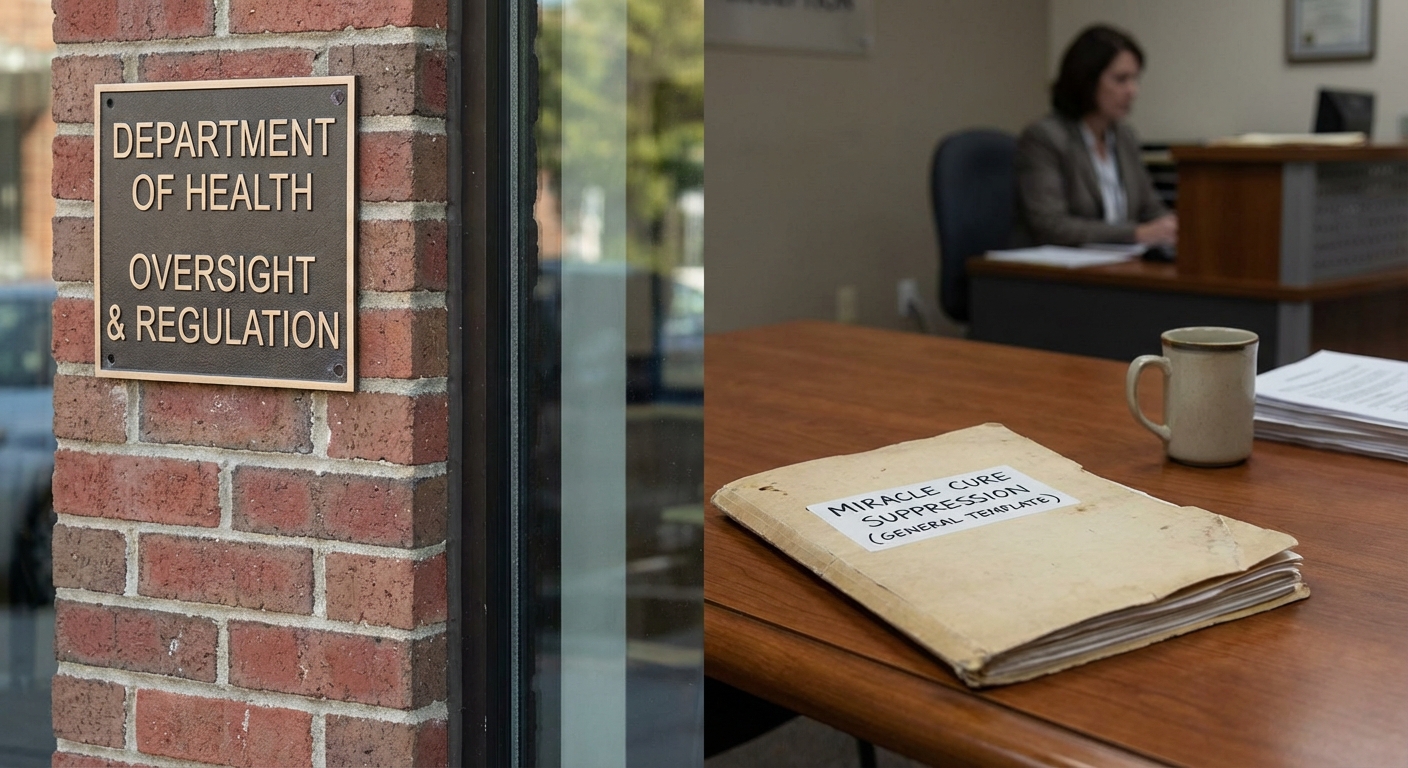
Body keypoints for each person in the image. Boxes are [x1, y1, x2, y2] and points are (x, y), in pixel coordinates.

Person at [1014, 24, 1177, 247]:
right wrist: (1136, 234)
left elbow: (1150, 208)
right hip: (1061, 272)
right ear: (1087, 81)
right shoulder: (1045, 138)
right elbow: (1050, 225)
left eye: (1135, 79)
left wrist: (1173, 226)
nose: (1132, 91)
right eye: (1121, 79)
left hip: (1119, 264)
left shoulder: (1124, 137)